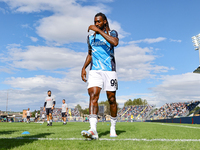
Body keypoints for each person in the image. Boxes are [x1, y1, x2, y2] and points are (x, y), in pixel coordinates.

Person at [81, 12, 119, 140]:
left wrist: (98, 31)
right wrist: (83, 67)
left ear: (104, 22)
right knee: (93, 96)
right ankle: (93, 130)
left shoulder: (112, 33)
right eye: (95, 22)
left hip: (109, 70)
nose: (96, 23)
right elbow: (90, 54)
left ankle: (112, 127)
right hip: (95, 71)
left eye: (99, 21)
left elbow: (115, 43)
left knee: (111, 99)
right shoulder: (90, 38)